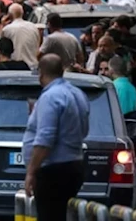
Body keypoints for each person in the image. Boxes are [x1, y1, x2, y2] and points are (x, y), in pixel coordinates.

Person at [23, 54, 89, 221]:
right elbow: (84, 129)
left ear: (41, 74)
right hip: (75, 164)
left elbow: (45, 139)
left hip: (53, 170)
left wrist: (31, 172)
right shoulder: (78, 93)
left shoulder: (50, 96)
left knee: (49, 215)